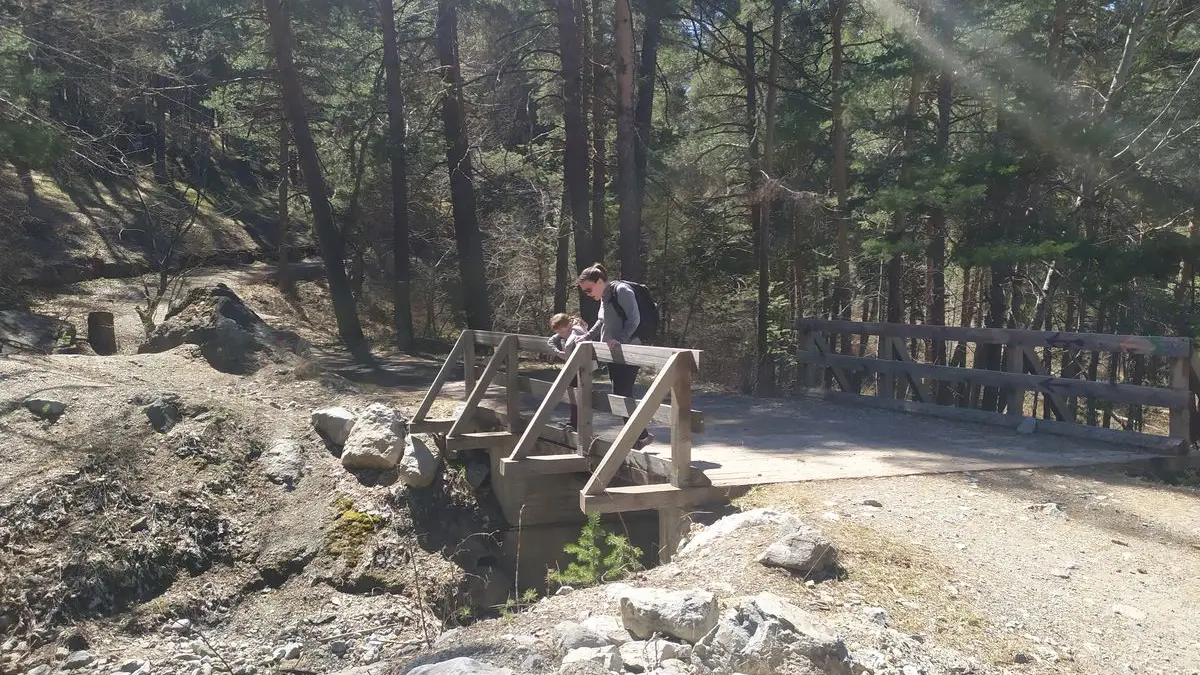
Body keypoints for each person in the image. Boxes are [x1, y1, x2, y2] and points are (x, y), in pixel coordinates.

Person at [577, 263, 654, 448]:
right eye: (584, 291)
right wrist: (586, 337)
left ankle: (637, 437)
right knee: (619, 393)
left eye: (589, 289)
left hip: (628, 349)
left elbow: (634, 319)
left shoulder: (622, 290)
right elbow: (601, 322)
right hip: (613, 352)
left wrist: (621, 339)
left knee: (623, 393)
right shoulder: (605, 297)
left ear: (600, 281)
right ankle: (640, 435)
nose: (588, 294)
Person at [546, 312, 596, 430]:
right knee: (572, 394)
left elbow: (580, 344)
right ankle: (574, 422)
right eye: (558, 332)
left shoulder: (577, 331)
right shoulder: (565, 331)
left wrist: (567, 354)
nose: (561, 335)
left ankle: (581, 425)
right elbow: (550, 341)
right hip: (573, 366)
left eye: (562, 332)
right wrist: (559, 353)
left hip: (583, 367)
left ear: (569, 325)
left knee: (581, 395)